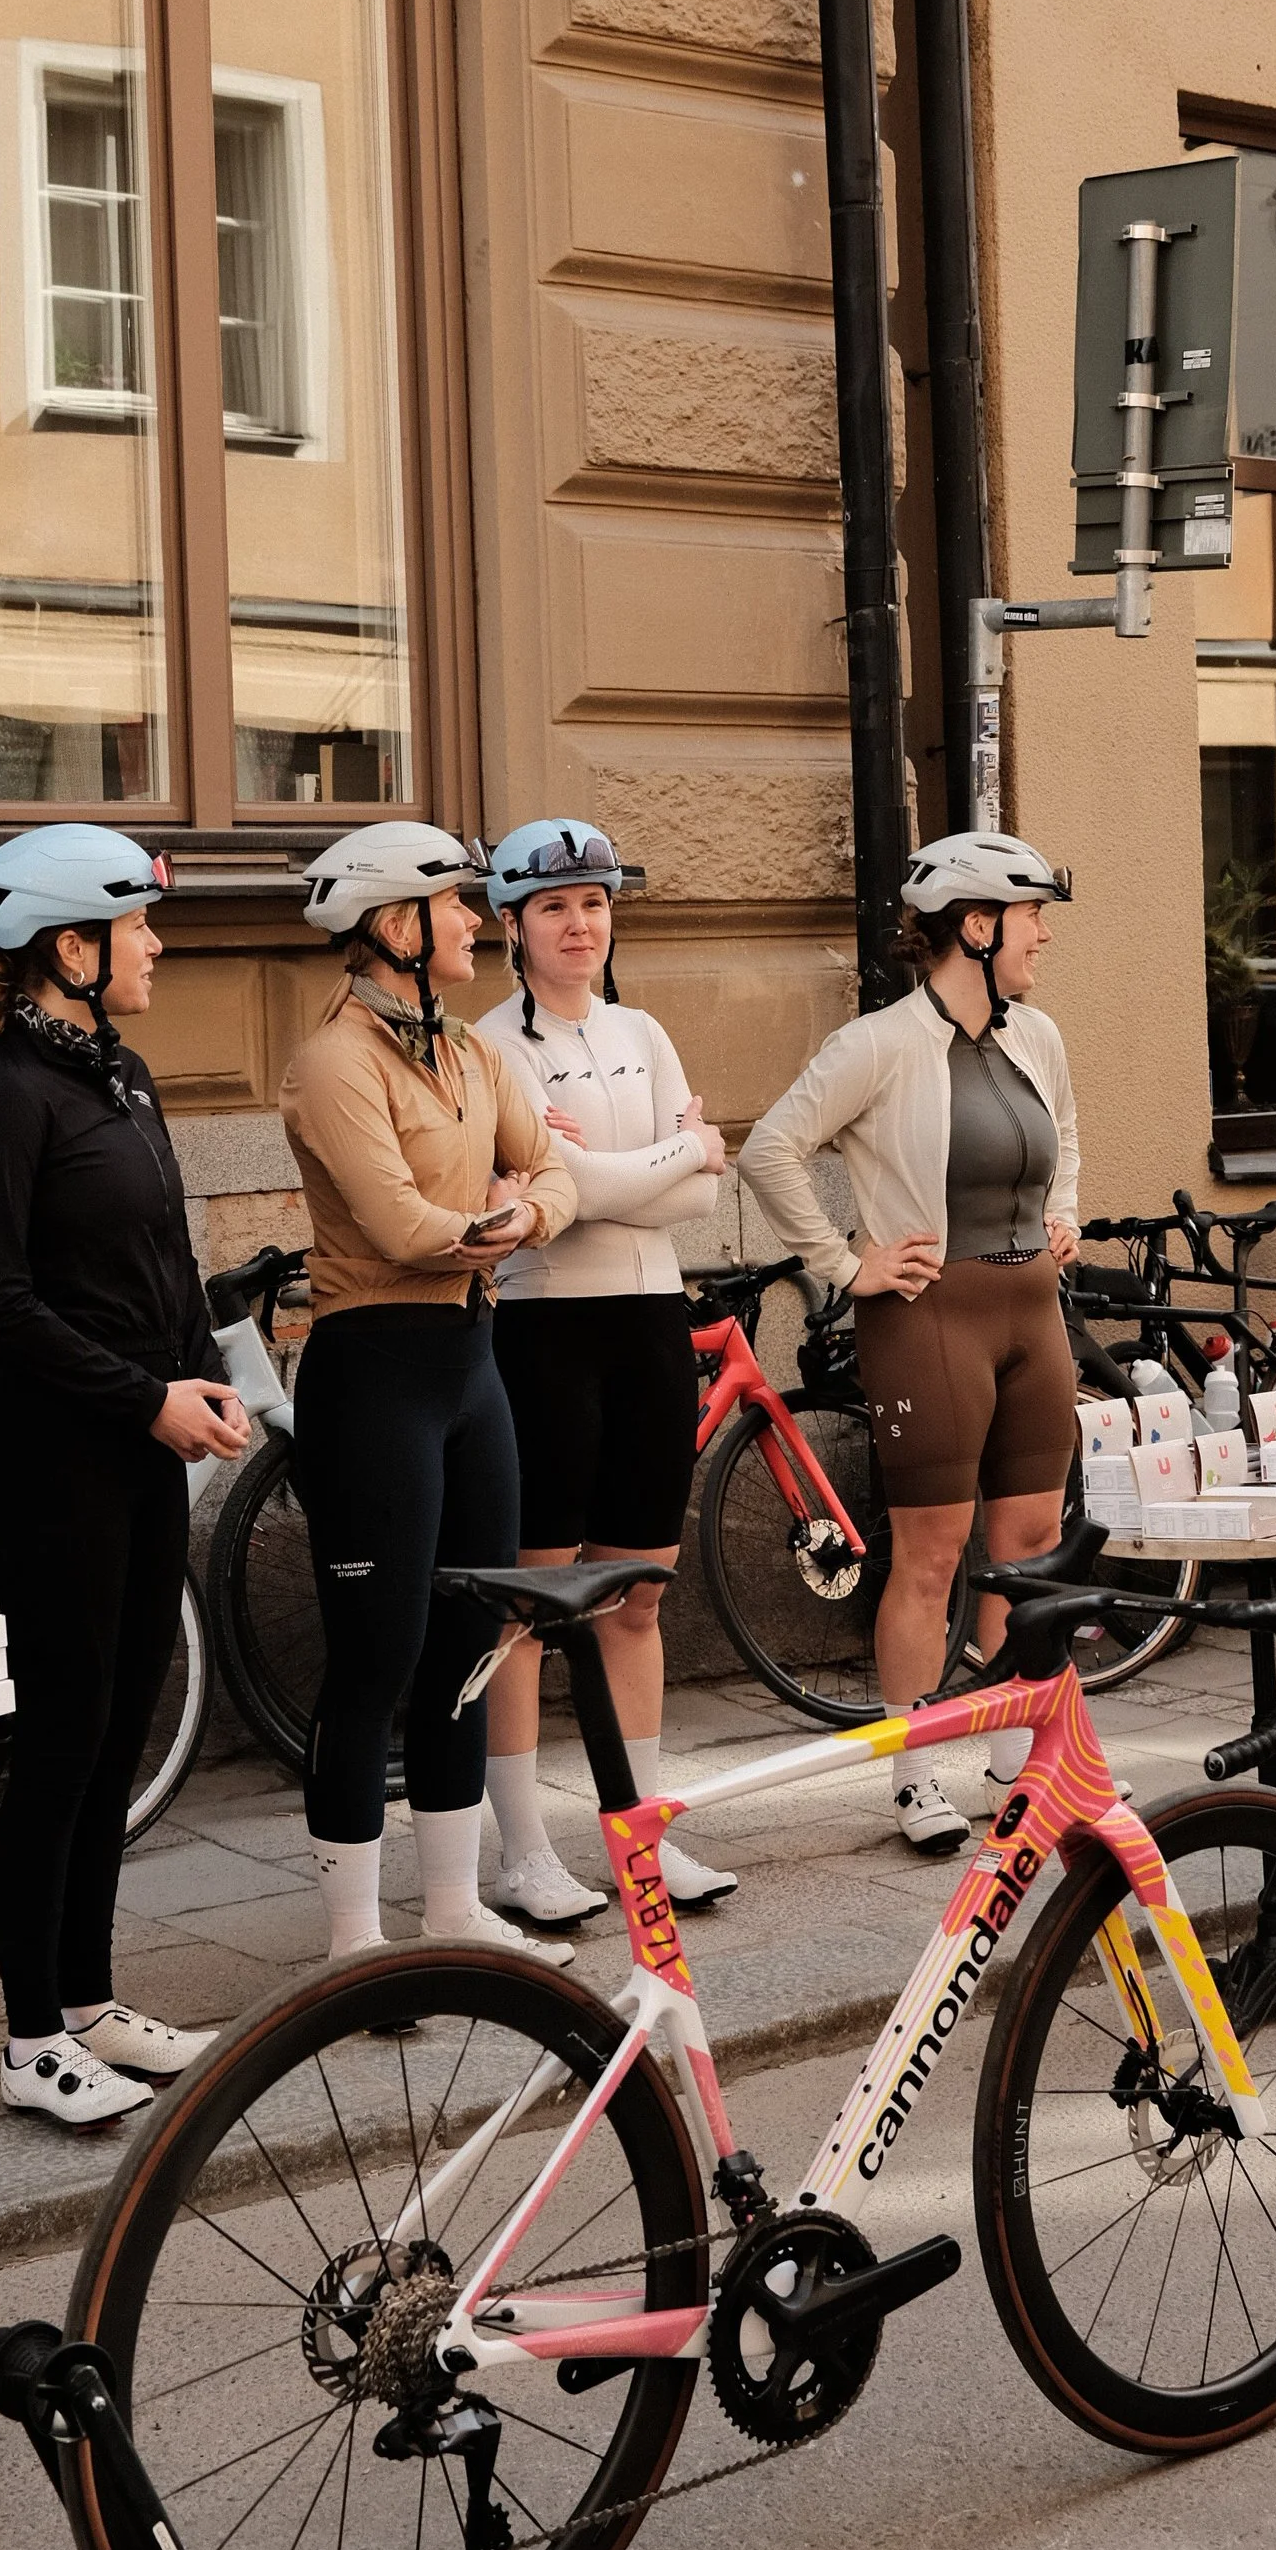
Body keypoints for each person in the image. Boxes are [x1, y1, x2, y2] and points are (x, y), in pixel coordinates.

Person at [0, 825, 247, 2129]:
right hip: (57, 1465)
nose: (158, 946)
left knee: (119, 1731)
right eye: (139, 926)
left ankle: (86, 1999)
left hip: (140, 1453)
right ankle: (27, 2040)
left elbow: (160, 1259)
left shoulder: (119, 1076)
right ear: (73, 946)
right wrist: (144, 1394)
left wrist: (202, 1368)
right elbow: (0, 1305)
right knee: (59, 1749)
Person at [737, 832, 1081, 1855]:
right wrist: (847, 1267)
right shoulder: (879, 1045)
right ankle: (915, 1770)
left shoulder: (1037, 1036)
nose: (1042, 936)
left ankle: (1015, 1752)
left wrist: (1065, 1215)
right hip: (928, 1318)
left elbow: (1066, 1130)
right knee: (930, 1557)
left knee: (1028, 1545)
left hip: (1031, 1313)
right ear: (974, 928)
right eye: (1029, 919)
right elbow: (768, 1150)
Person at [278, 822, 578, 1963]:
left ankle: (452, 1909)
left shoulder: (467, 1048)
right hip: (374, 1373)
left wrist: (513, 1216)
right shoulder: (333, 1062)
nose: (472, 920)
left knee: (472, 1642)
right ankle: (353, 1938)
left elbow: (546, 1169)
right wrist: (502, 1223)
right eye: (455, 903)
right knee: (376, 1656)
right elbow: (401, 1227)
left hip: (469, 1365)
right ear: (395, 925)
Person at [472, 820, 737, 1926]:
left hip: (646, 1325)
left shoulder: (643, 1026)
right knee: (529, 1606)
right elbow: (567, 1184)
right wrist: (675, 1154)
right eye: (554, 908)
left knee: (637, 1596)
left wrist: (625, 1172)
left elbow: (691, 1199)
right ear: (512, 925)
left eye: (593, 902)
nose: (580, 924)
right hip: (544, 1329)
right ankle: (523, 1852)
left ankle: (644, 1831)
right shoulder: (491, 1044)